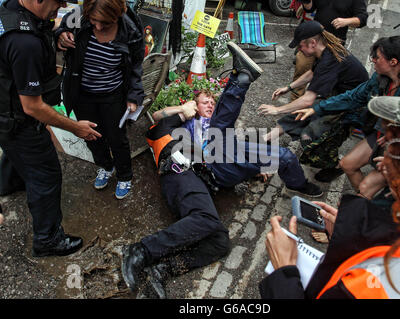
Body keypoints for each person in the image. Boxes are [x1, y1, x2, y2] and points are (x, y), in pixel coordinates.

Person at [121, 42, 322, 298]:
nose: (209, 105)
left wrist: (251, 167)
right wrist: (183, 111)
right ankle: (145, 255)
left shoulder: (218, 126)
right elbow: (156, 119)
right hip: (183, 170)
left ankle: (298, 184)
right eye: (204, 102)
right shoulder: (176, 126)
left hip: (218, 168)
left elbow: (230, 144)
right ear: (192, 105)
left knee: (278, 155)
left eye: (212, 102)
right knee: (220, 241)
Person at [259, 81, 400, 298]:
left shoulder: (387, 283)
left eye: (389, 146)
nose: (382, 161)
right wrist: (347, 236)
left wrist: (284, 271)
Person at [0, 0, 101, 257]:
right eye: (57, 3)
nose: (61, 9)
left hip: (6, 110)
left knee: (16, 152)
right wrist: (75, 127)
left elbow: (43, 26)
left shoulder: (12, 8)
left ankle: (8, 183)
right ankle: (48, 240)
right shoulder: (25, 43)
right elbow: (33, 107)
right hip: (18, 118)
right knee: (46, 175)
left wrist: (56, 35)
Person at [294, 36, 400, 193]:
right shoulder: (380, 77)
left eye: (377, 57)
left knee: (381, 190)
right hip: (383, 133)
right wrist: (317, 108)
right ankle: (365, 204)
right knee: (347, 164)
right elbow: (354, 96)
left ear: (393, 62)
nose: (372, 59)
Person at [56, 0, 145, 199]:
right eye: (93, 21)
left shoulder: (130, 29)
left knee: (116, 137)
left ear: (118, 15)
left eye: (105, 23)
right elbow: (60, 29)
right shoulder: (78, 15)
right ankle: (106, 165)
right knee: (91, 135)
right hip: (81, 93)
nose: (97, 27)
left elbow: (136, 64)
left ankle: (124, 175)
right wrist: (60, 36)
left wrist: (134, 95)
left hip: (113, 93)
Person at [258, 21, 368, 182]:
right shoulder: (324, 51)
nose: (299, 50)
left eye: (301, 46)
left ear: (313, 43)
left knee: (311, 138)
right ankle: (265, 139)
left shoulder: (330, 61)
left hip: (353, 106)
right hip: (339, 95)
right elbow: (312, 73)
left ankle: (335, 166)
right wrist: (289, 87)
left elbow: (308, 99)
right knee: (299, 114)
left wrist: (277, 109)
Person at [288, 0, 368, 100]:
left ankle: (318, 105)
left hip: (334, 43)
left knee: (325, 77)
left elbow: (363, 19)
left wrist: (346, 21)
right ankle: (294, 102)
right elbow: (310, 8)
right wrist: (306, 2)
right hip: (314, 40)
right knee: (302, 67)